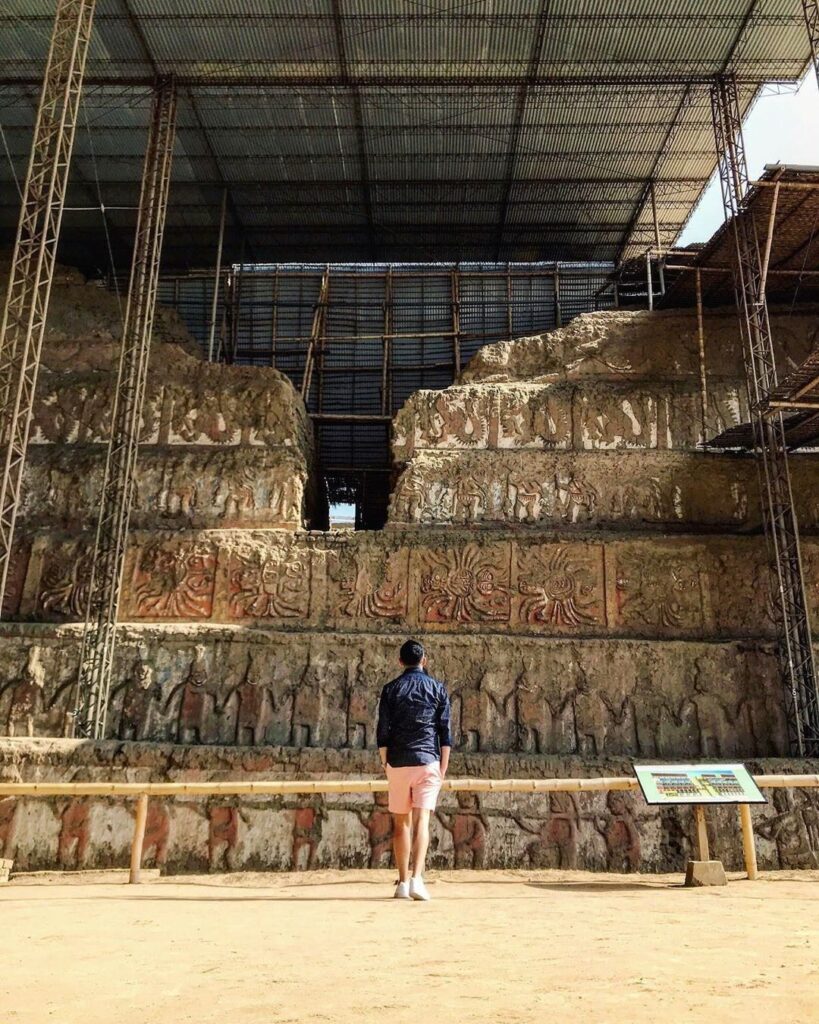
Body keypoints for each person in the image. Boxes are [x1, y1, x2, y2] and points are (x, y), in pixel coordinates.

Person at [377, 638, 452, 901]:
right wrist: (443, 766)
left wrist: (385, 761)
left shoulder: (390, 689)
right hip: (428, 760)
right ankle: (418, 879)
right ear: (424, 660)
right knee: (422, 821)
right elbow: (445, 731)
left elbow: (382, 730)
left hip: (397, 760)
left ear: (400, 661)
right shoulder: (438, 689)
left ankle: (402, 882)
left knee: (401, 823)